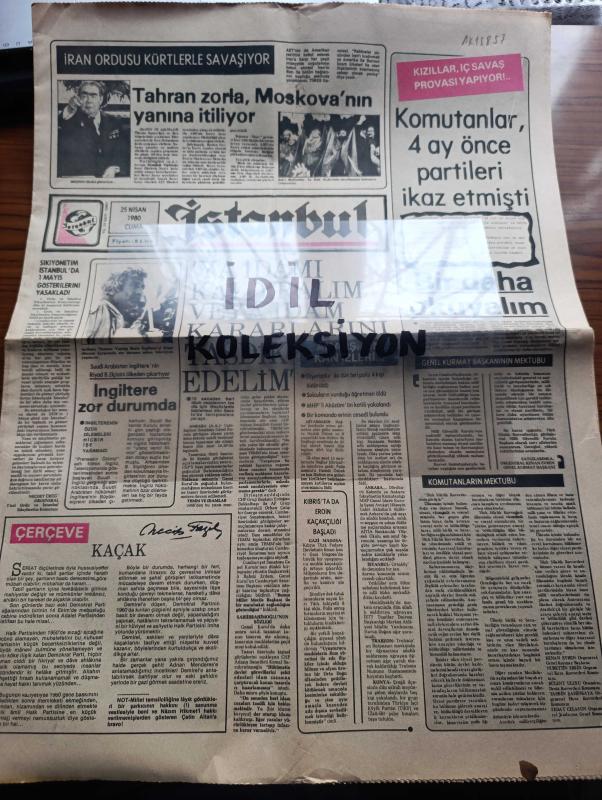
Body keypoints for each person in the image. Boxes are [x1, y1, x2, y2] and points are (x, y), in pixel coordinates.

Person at [58, 80, 130, 178]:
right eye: (84, 96)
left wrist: (114, 168)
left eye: (93, 96)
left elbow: (123, 151)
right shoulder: (70, 120)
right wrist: (70, 108)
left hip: (109, 179)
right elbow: (61, 121)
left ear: (101, 99)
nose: (89, 100)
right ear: (78, 98)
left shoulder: (114, 122)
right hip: (81, 179)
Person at [86, 268, 147, 342]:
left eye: (142, 288)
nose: (140, 292)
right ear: (114, 287)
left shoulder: (114, 316)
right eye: (135, 285)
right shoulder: (97, 309)